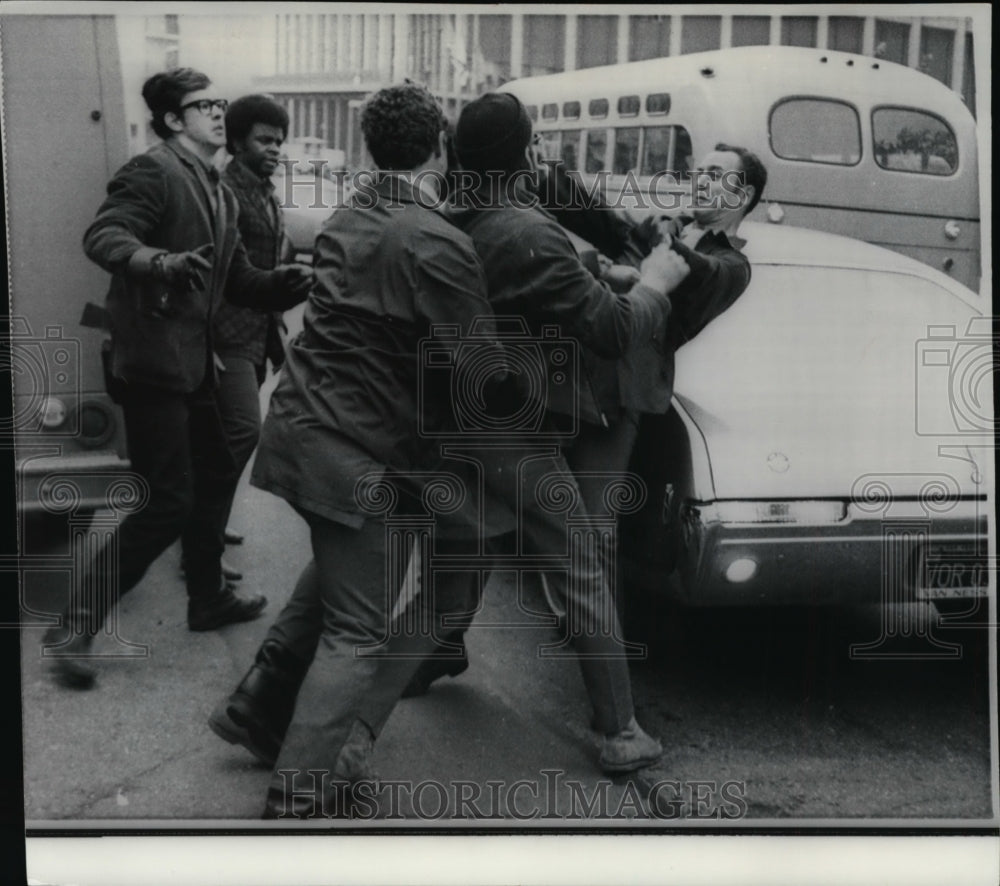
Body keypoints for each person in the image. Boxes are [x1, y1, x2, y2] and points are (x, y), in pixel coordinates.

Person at [208, 90, 686, 807]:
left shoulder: (428, 215)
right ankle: (620, 731)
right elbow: (601, 333)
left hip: (421, 434)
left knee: (444, 585)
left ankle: (350, 738)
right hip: (505, 435)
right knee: (581, 569)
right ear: (525, 155)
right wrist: (651, 283)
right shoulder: (522, 230)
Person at [44, 68, 313, 690]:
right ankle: (73, 627)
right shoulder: (155, 171)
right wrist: (157, 262)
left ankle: (208, 593)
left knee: (217, 467)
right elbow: (103, 234)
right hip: (154, 366)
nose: (220, 112)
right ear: (172, 120)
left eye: (220, 102)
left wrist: (283, 283)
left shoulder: (213, 186)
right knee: (165, 502)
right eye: (205, 105)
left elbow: (238, 275)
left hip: (194, 365)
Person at [187, 94, 297, 584]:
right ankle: (199, 546)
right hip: (226, 335)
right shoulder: (226, 190)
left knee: (224, 441)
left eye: (279, 141)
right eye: (264, 140)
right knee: (238, 434)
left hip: (254, 335)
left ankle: (206, 528)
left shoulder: (264, 190)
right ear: (236, 141)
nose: (274, 148)